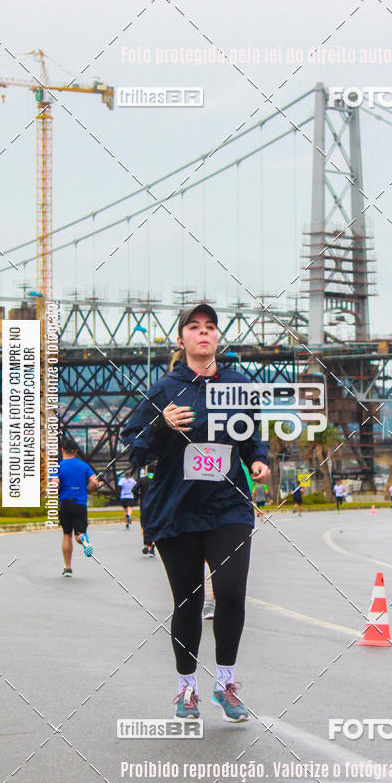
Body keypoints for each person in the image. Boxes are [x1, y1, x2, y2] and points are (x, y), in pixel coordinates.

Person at [121, 303, 270, 724]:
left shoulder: (239, 385)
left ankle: (226, 684)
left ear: (217, 338)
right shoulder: (164, 390)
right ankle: (186, 690)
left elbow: (252, 434)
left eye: (210, 327)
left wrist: (258, 458)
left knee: (233, 592)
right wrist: (161, 425)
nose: (203, 333)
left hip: (228, 506)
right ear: (182, 339)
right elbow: (134, 448)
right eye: (194, 327)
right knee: (187, 602)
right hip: (177, 508)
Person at [54, 438, 99, 576]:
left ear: (62, 450)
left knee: (67, 535)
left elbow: (55, 483)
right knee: (79, 534)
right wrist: (88, 489)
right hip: (80, 504)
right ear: (76, 450)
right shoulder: (83, 465)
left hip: (65, 503)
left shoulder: (58, 466)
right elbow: (95, 482)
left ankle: (67, 567)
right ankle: (84, 540)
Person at [134, 468, 156, 555]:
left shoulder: (142, 480)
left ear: (147, 471)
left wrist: (140, 495)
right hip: (155, 506)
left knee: (144, 526)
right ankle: (153, 545)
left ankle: (146, 544)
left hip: (144, 505)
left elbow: (133, 490)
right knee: (154, 525)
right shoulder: (156, 480)